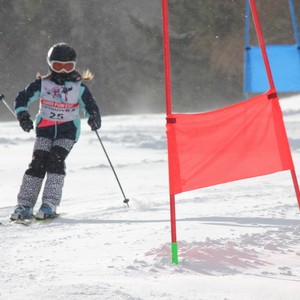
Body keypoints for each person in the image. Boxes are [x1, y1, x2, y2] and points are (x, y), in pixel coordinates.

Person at [10, 42, 101, 221]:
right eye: (58, 66)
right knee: (38, 163)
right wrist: (23, 116)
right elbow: (22, 98)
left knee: (55, 160)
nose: (63, 71)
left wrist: (94, 117)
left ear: (74, 66)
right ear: (50, 65)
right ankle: (25, 205)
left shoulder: (79, 87)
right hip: (45, 130)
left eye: (68, 66)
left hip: (67, 132)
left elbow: (90, 105)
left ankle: (49, 203)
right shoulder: (42, 84)